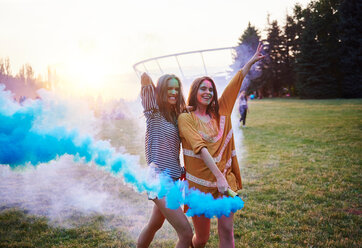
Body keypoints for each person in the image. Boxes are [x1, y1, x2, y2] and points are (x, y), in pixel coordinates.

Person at [178, 43, 265, 248]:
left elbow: (234, 84)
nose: (208, 92)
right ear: (195, 91)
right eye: (203, 88)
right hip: (199, 187)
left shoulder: (221, 111)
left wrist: (249, 63)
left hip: (225, 182)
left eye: (211, 89)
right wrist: (217, 177)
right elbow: (200, 148)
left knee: (227, 231)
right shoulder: (186, 117)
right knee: (201, 238)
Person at [137, 73, 193, 248]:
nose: (174, 92)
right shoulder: (154, 113)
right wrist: (157, 89)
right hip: (158, 179)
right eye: (169, 88)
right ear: (160, 91)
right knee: (186, 233)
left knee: (155, 224)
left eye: (176, 88)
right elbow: (145, 78)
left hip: (173, 179)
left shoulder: (177, 117)